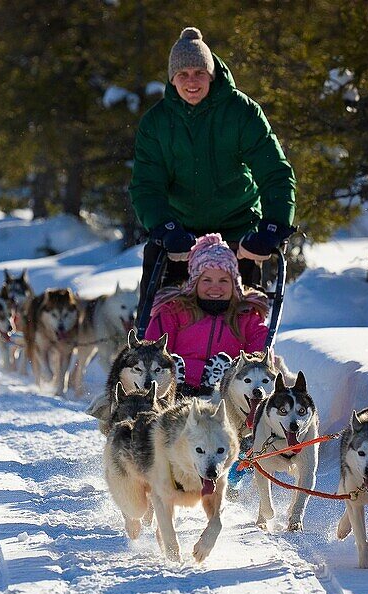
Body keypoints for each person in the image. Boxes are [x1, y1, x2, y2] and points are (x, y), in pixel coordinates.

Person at [129, 27, 296, 303]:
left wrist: (273, 226)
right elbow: (147, 185)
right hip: (180, 235)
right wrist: (165, 228)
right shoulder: (156, 123)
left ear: (211, 74)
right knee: (161, 316)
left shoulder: (241, 111)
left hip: (237, 232)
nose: (191, 81)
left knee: (239, 320)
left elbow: (274, 171)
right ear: (172, 79)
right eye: (183, 74)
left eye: (199, 73)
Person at [145, 234, 268, 393]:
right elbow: (152, 349)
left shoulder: (247, 317)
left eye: (223, 280)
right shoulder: (173, 311)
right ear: (194, 283)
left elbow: (258, 356)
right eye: (207, 280)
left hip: (226, 388)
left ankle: (219, 380)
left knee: (244, 374)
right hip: (176, 384)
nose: (215, 287)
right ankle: (180, 380)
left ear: (234, 284)